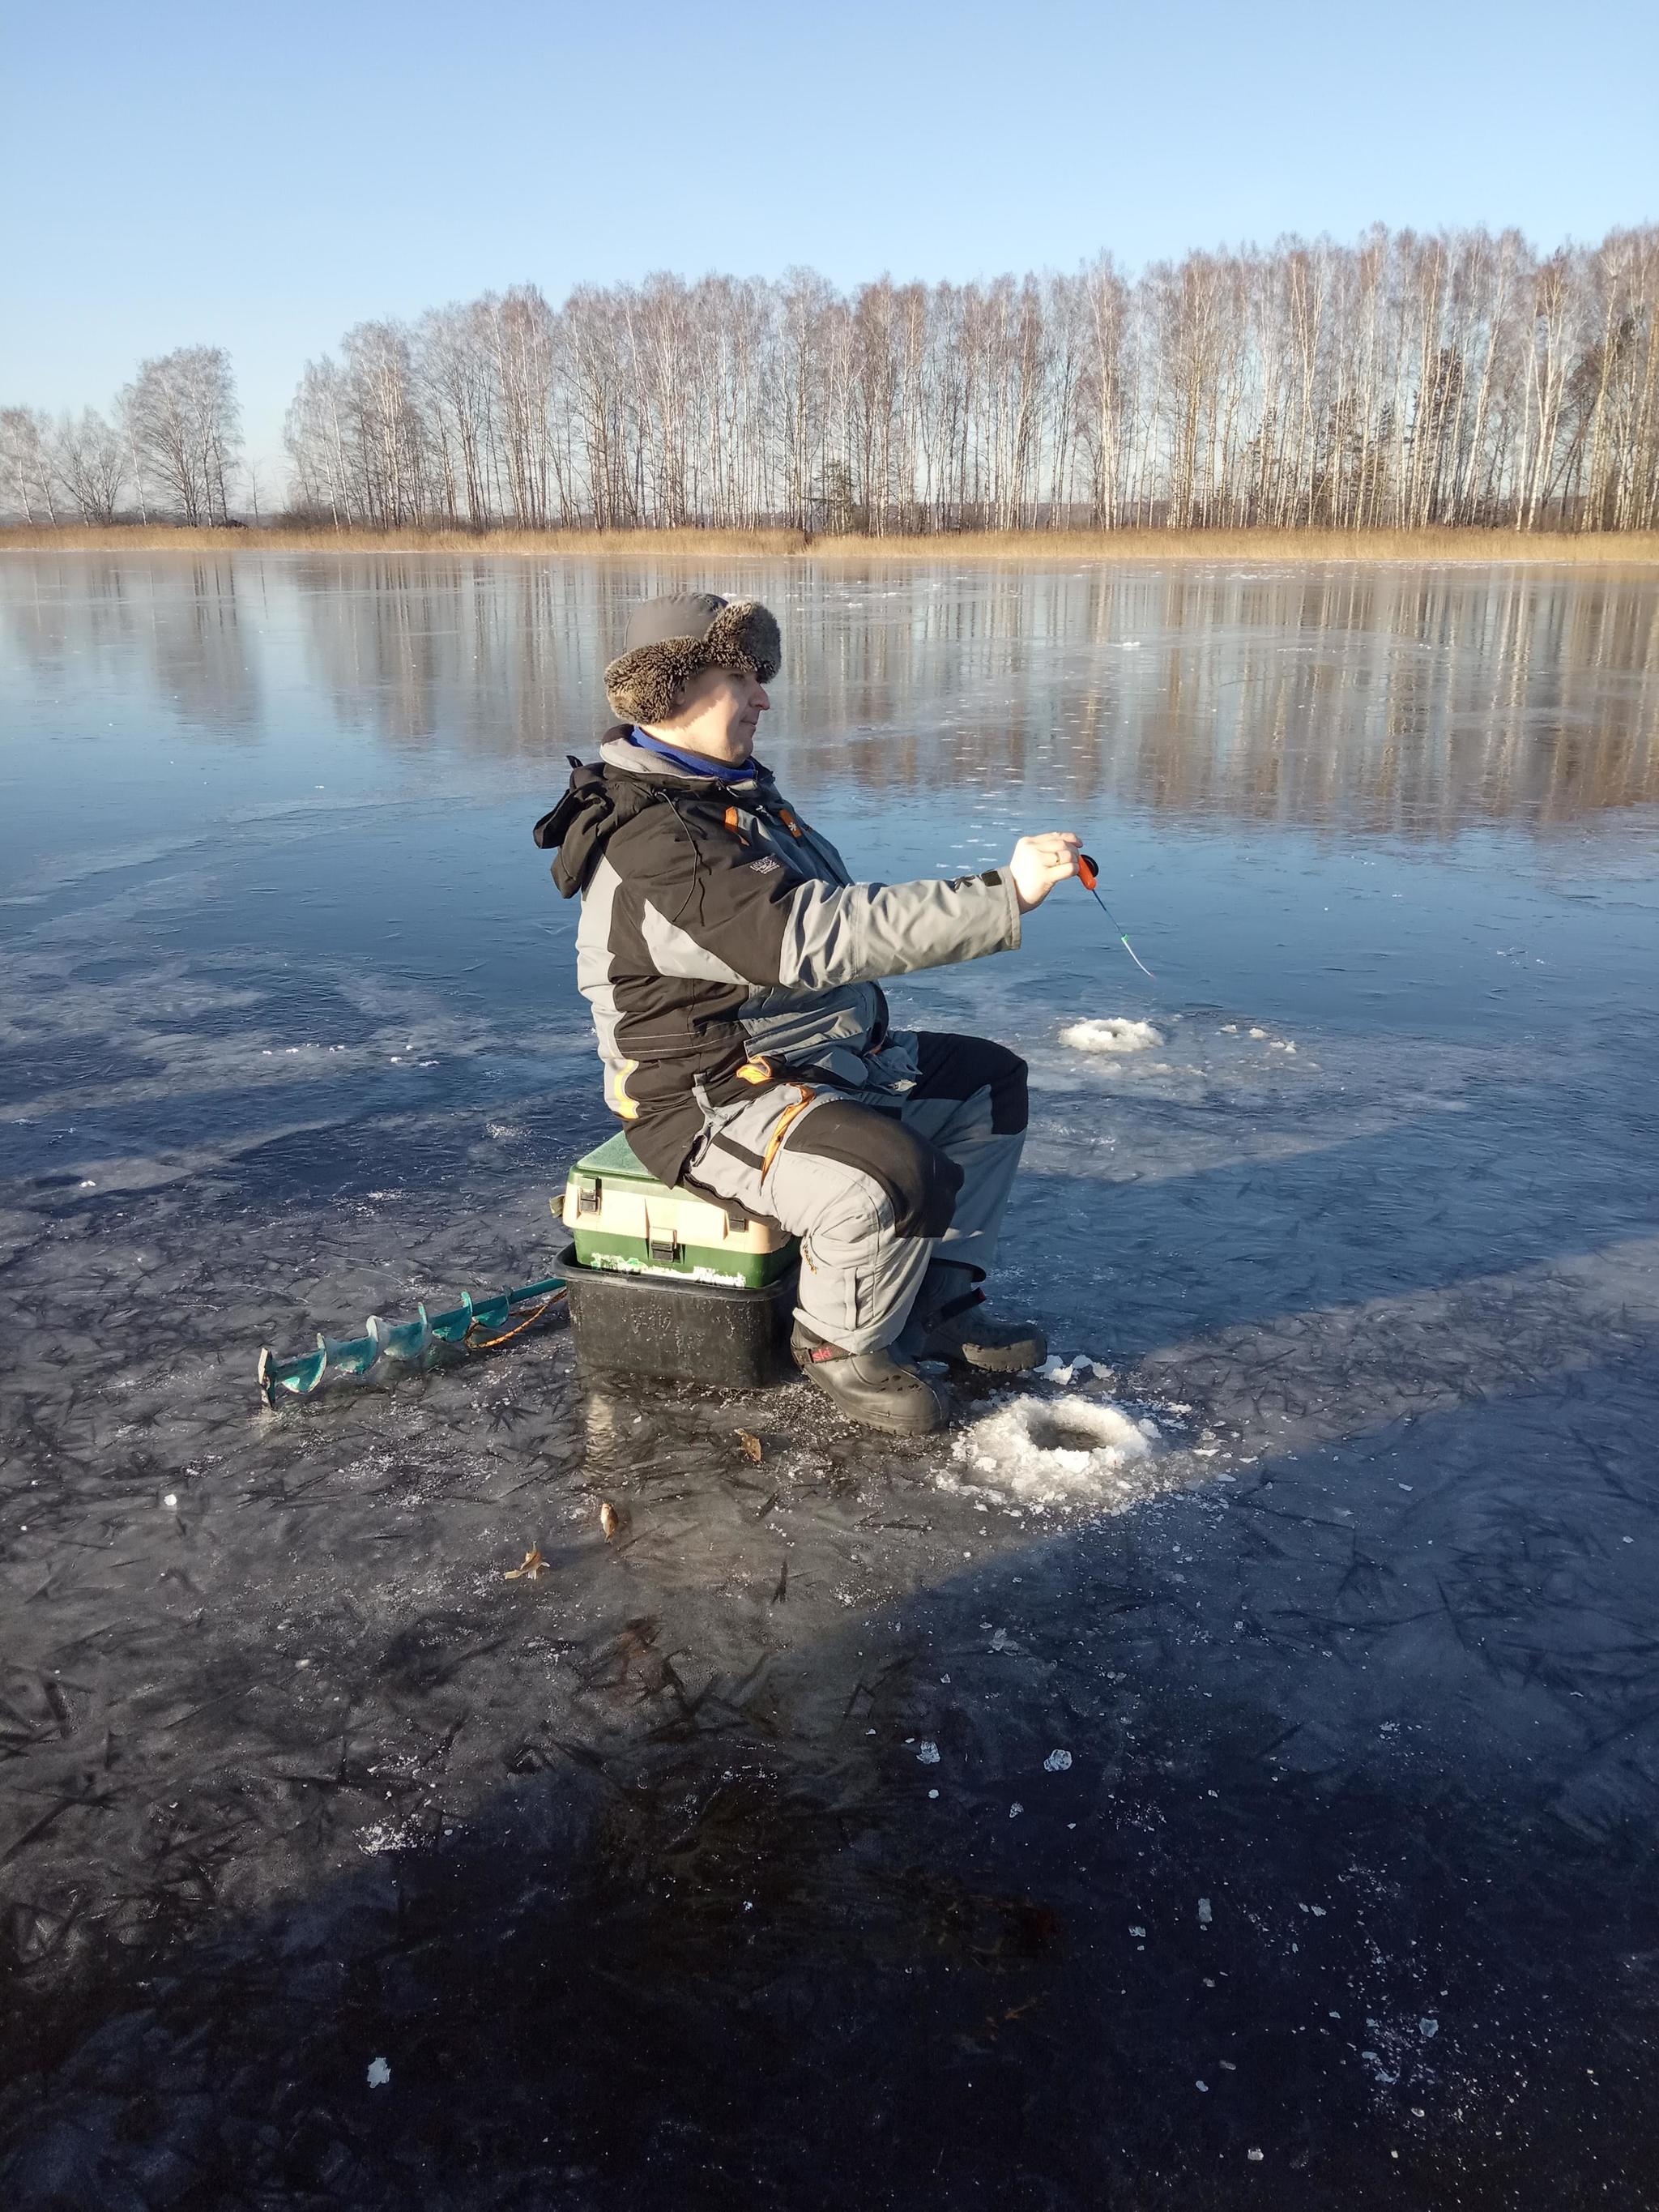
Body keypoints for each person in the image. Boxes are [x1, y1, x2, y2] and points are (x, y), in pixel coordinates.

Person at [535, 591, 1081, 1437]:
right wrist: (1001, 895)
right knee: (888, 1175)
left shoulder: (733, 798)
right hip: (705, 1094)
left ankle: (936, 1301)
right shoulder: (664, 841)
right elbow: (809, 937)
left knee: (986, 1084)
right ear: (668, 693)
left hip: (809, 1054)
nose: (762, 699)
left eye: (758, 678)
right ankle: (839, 1346)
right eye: (737, 679)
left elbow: (825, 918)